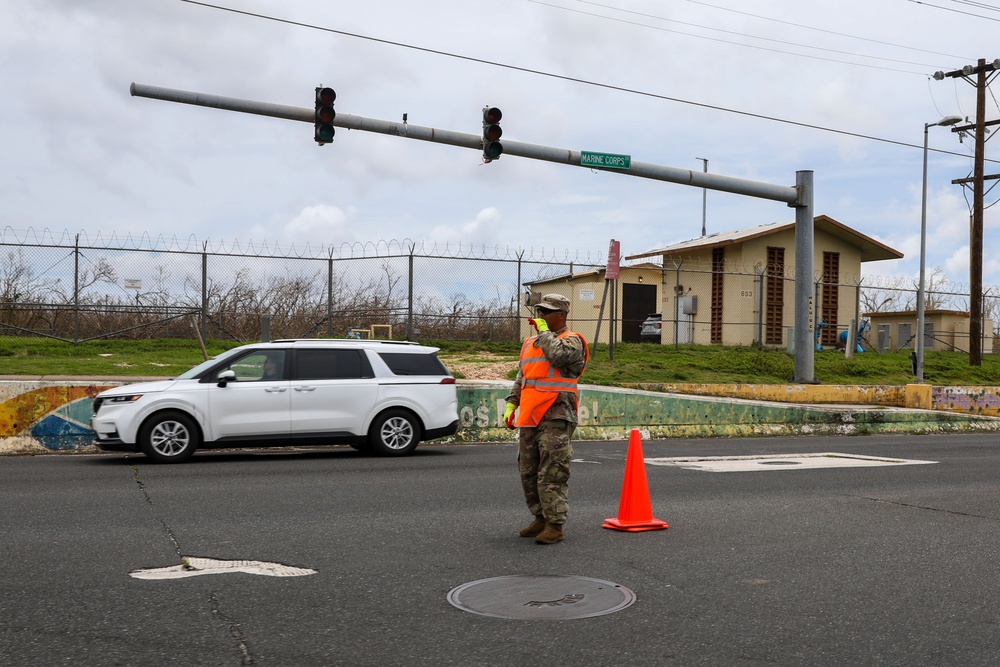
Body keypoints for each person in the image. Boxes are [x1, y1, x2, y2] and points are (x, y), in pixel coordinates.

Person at [504, 293, 589, 545]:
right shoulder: (531, 343)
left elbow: (558, 357)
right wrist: (512, 403)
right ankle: (539, 517)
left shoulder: (572, 341)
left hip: (556, 414)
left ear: (561, 315)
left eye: (546, 312)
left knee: (553, 470)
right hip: (530, 415)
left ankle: (555, 524)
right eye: (539, 311)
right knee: (528, 470)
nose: (540, 315)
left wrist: (545, 333)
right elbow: (523, 375)